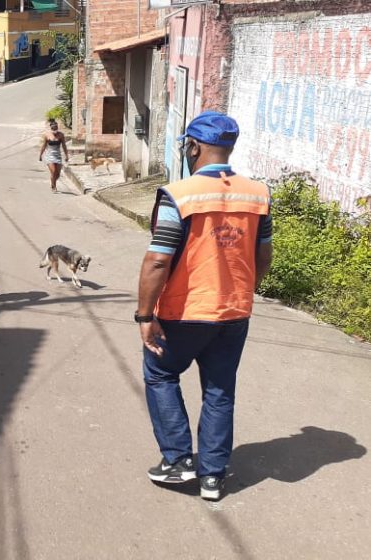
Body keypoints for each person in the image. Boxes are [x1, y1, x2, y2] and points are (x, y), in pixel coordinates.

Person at [136, 111, 273, 501]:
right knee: (219, 389)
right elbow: (263, 255)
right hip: (234, 311)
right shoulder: (258, 193)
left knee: (160, 373)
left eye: (187, 146)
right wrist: (244, 290)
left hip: (185, 311)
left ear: (193, 146)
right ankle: (213, 476)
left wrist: (145, 315)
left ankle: (179, 461)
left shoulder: (179, 194)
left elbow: (159, 259)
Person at [39, 119, 69, 193]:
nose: (55, 129)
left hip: (58, 155)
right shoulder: (47, 135)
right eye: (53, 128)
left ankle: (52, 182)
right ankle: (54, 186)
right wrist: (40, 155)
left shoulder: (61, 135)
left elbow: (64, 146)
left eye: (56, 128)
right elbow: (44, 146)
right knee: (53, 171)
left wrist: (66, 155)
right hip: (50, 155)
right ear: (51, 128)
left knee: (58, 174)